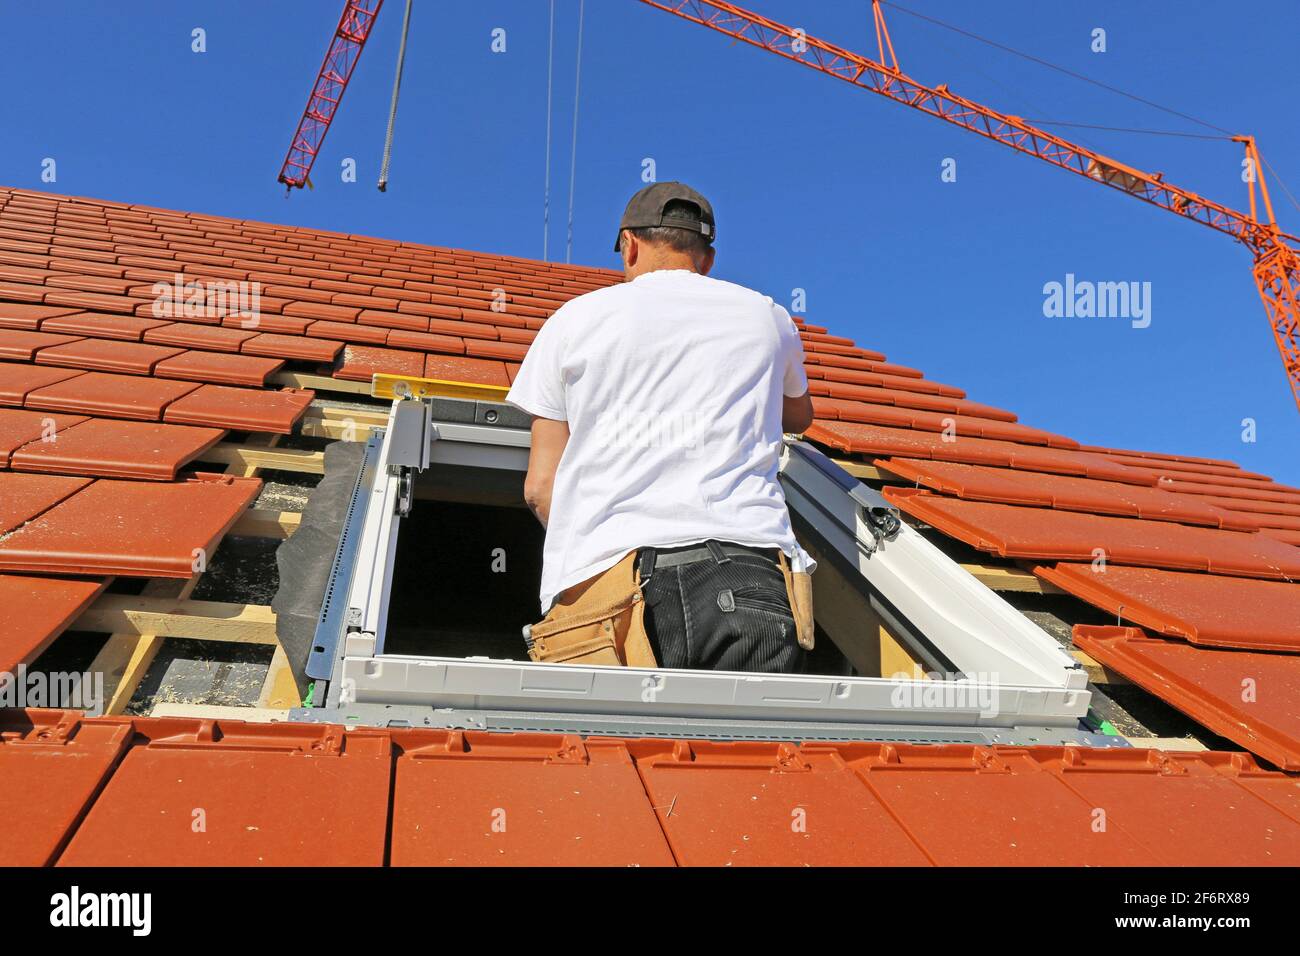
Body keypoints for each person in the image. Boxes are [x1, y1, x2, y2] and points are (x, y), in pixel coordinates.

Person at [506, 181, 815, 673]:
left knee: (609, 749)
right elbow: (799, 416)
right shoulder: (766, 315)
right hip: (746, 575)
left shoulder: (573, 320)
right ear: (706, 259)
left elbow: (541, 487)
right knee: (742, 751)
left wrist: (587, 533)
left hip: (608, 583)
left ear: (629, 244)